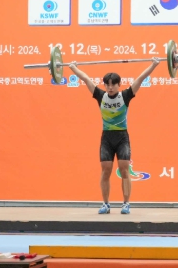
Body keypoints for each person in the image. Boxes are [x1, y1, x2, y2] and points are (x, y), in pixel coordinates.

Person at [68, 57, 160, 214]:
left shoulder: (126, 95)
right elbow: (86, 79)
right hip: (107, 138)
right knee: (105, 171)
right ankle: (106, 204)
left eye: (113, 84)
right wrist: (73, 68)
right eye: (107, 84)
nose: (110, 87)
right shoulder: (100, 95)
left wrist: (154, 64)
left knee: (124, 170)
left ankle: (126, 204)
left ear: (119, 84)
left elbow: (140, 78)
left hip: (122, 137)